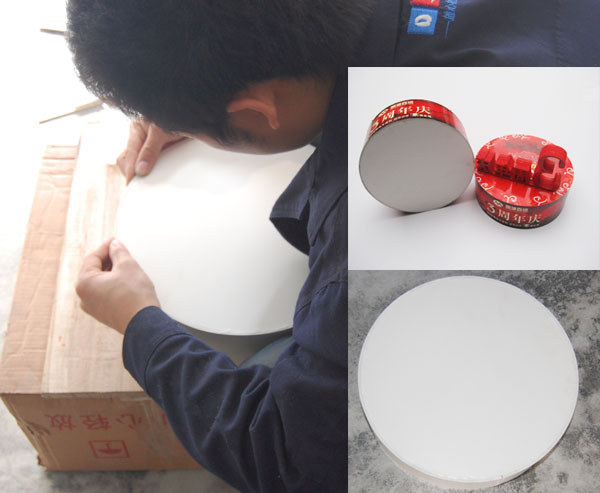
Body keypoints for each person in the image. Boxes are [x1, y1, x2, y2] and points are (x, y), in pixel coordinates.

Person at [69, 1, 597, 492]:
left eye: (200, 130)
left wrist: (141, 327)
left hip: (548, 390)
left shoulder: (376, 230)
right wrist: (195, 99)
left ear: (256, 109)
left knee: (276, 362)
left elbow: (289, 457)